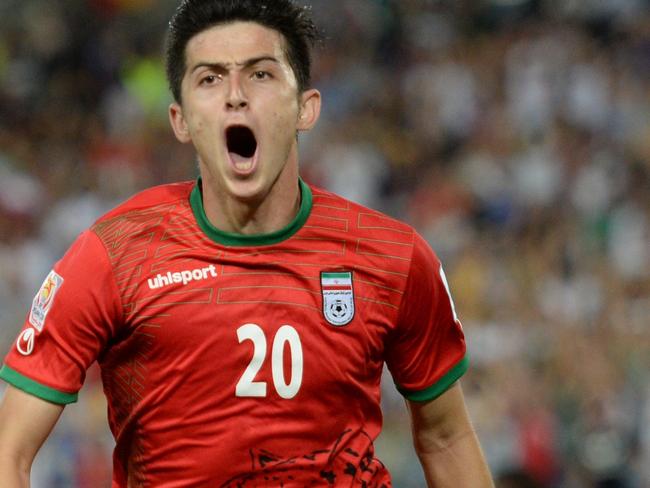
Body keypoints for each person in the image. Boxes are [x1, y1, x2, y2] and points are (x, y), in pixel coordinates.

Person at [0, 0, 494, 486]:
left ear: (306, 107)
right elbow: (9, 453)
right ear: (180, 119)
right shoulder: (115, 254)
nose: (236, 95)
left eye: (260, 74)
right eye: (210, 78)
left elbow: (446, 438)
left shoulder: (393, 256)